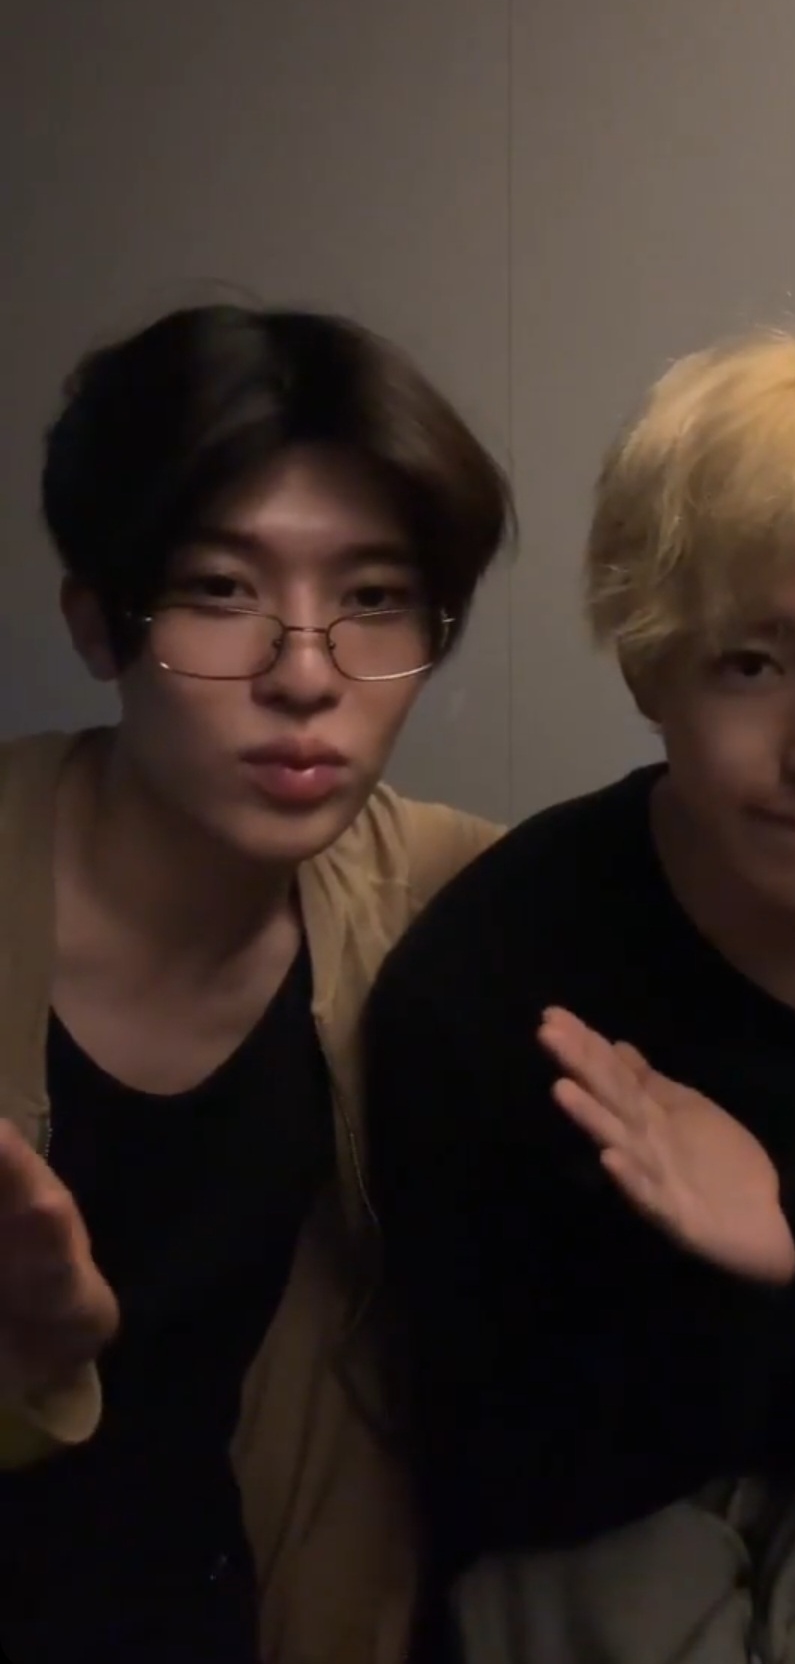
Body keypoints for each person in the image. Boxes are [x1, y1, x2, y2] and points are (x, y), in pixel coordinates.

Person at [363, 332, 795, 1664]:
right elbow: (502, 1480)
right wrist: (742, 1286)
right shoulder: (496, 979)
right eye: (753, 663)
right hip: (613, 1502)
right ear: (648, 665)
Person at [0, 302, 514, 1664]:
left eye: (373, 599)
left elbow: (715, 848)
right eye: (222, 591)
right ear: (100, 622)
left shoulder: (442, 899)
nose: (304, 673)